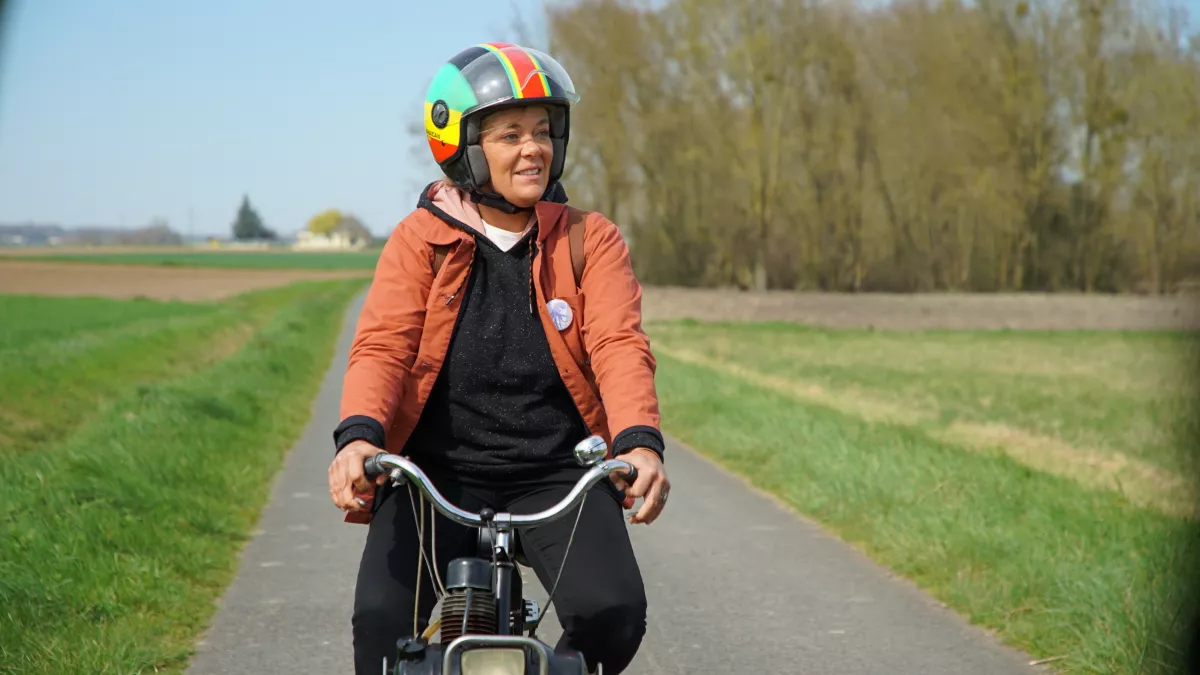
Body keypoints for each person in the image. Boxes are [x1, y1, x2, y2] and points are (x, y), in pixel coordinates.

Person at [326, 42, 671, 675]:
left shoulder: (589, 239)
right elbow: (384, 346)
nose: (533, 148)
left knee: (614, 613)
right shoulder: (420, 238)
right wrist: (359, 438)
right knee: (380, 630)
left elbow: (619, 344)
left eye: (543, 131)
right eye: (510, 134)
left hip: (558, 473)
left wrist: (639, 443)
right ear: (462, 145)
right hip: (434, 476)